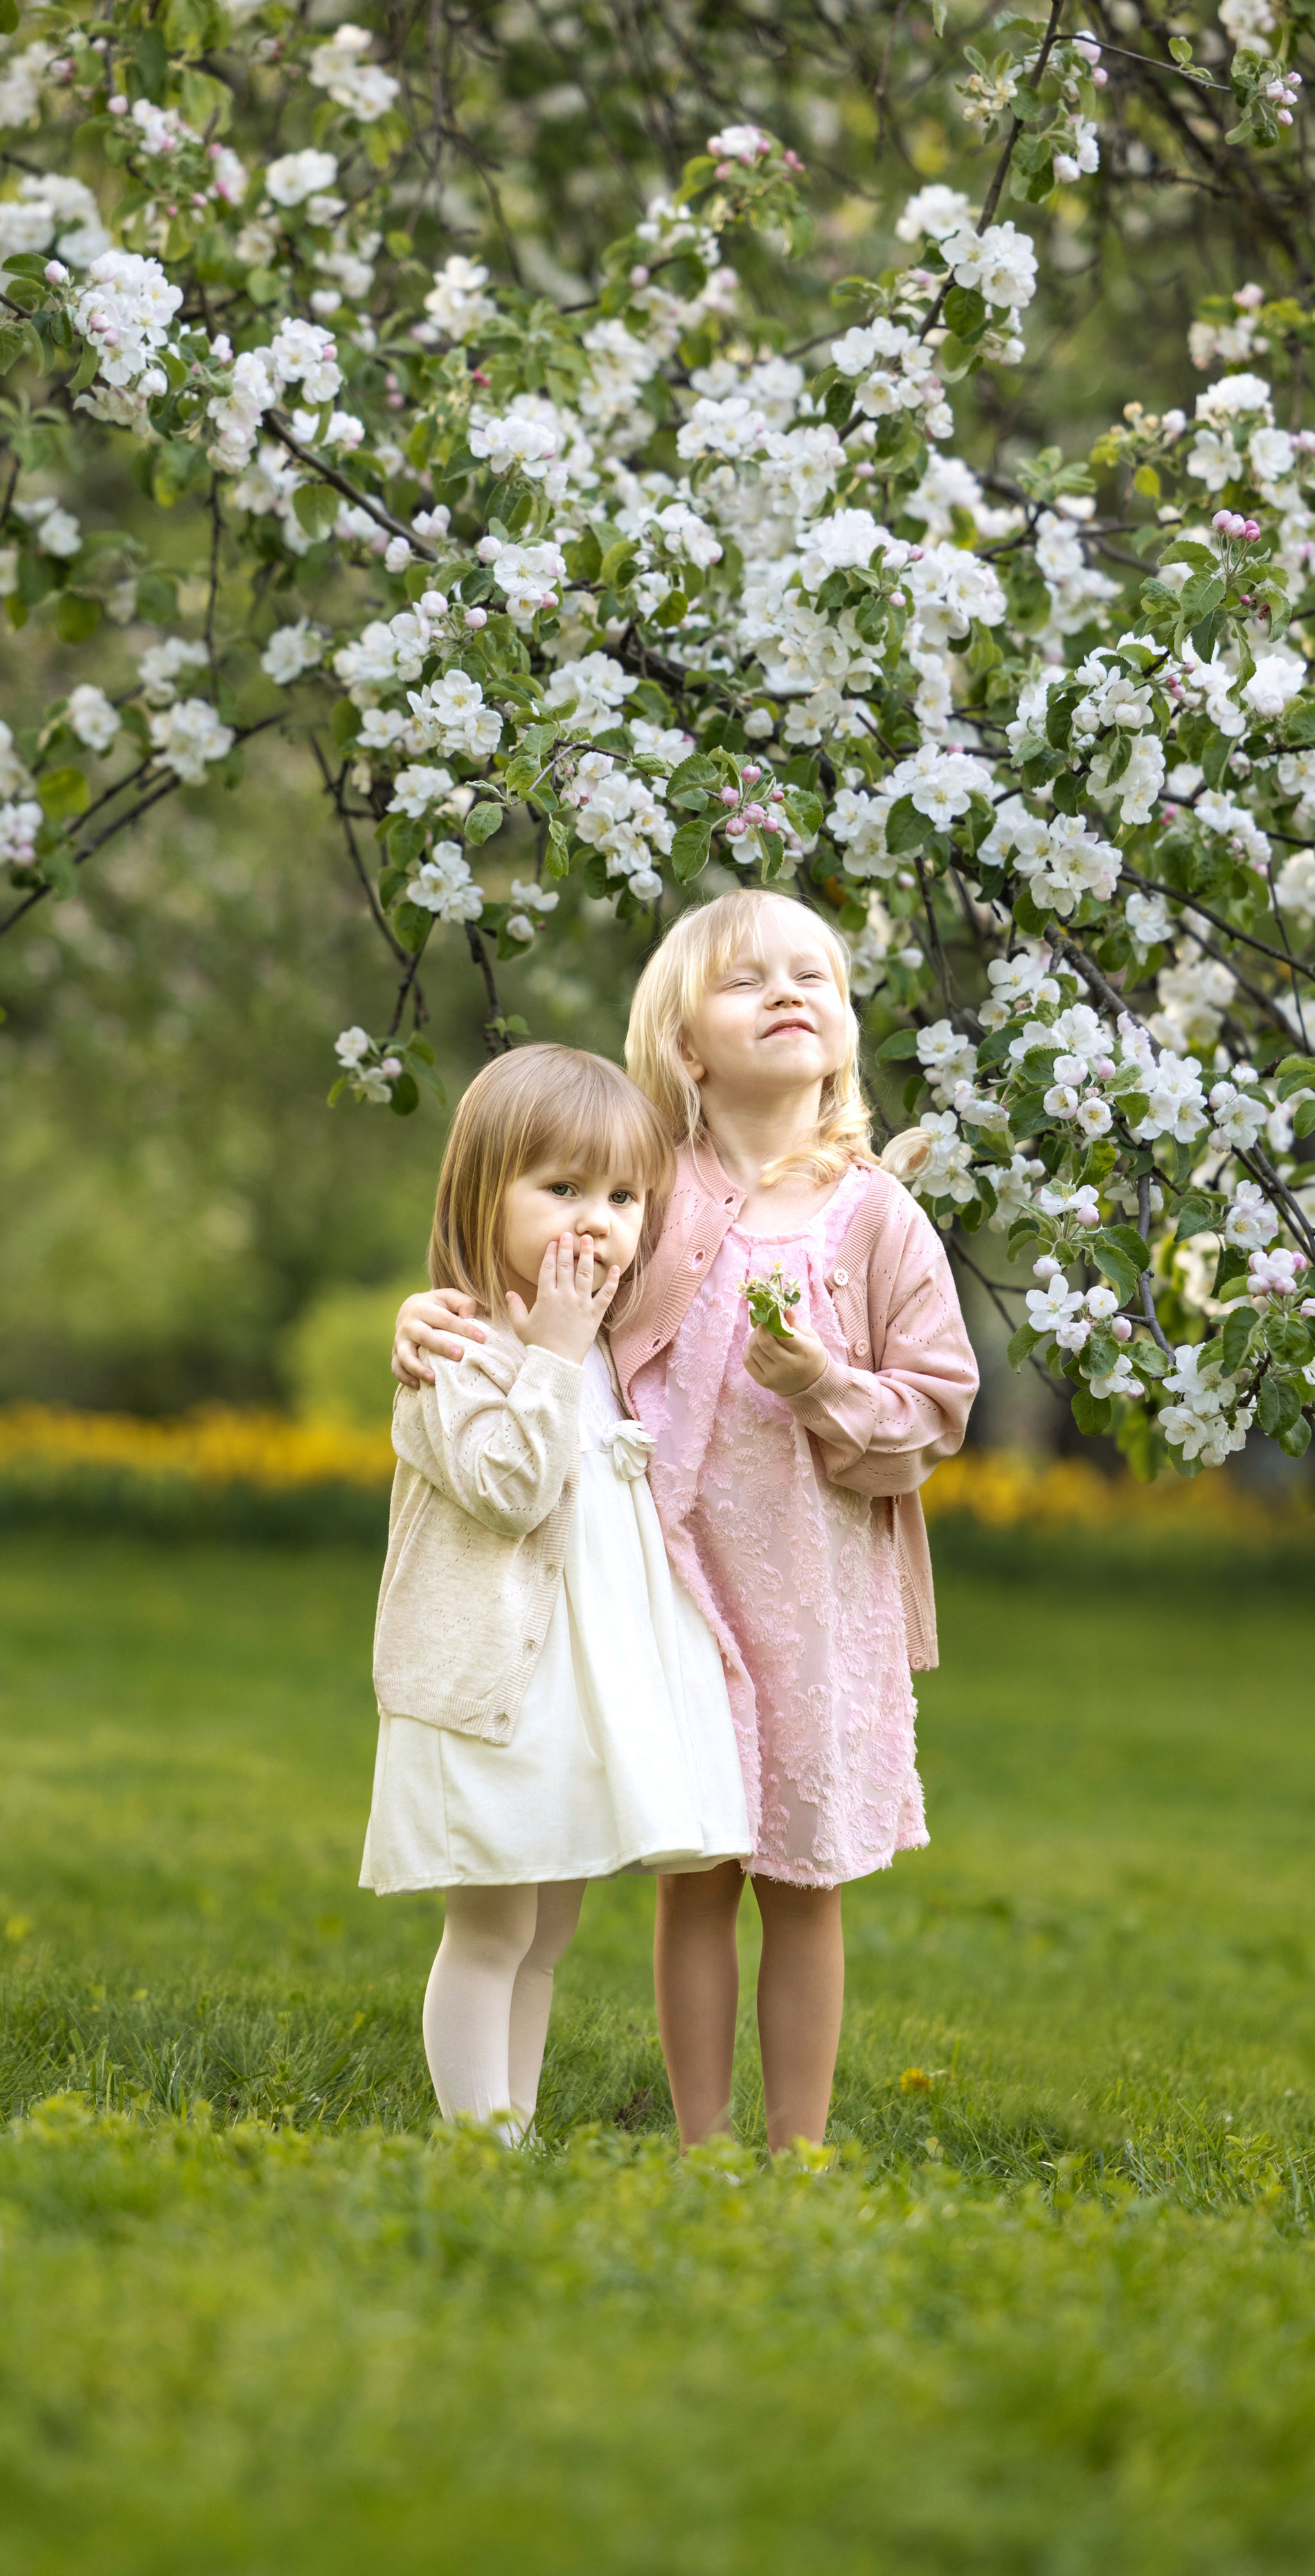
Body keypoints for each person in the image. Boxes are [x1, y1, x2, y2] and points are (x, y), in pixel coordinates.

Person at [393, 891, 980, 2152]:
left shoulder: (875, 1216)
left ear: (843, 1024)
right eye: (747, 978)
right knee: (698, 1870)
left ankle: (799, 2150)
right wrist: (427, 1314)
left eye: (814, 974)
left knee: (803, 1883)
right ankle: (704, 2144)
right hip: (669, 1590)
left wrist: (826, 1384)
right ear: (683, 1041)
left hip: (817, 1598)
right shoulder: (652, 1185)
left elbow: (938, 1411)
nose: (788, 992)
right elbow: (533, 1277)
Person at [363, 1041, 749, 2143]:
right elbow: (510, 1492)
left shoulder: (601, 1346)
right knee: (488, 1932)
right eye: (563, 1189)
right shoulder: (456, 1350)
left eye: (625, 1197)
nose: (600, 1222)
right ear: (485, 1196)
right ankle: (477, 2142)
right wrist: (550, 1351)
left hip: (569, 1706)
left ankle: (512, 2126)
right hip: (493, 1696)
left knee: (545, 1936)